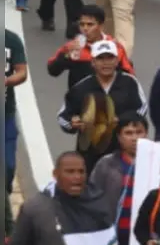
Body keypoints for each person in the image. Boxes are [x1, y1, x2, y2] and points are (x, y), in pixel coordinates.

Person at [56, 39, 149, 172]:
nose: (106, 62)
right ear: (93, 62)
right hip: (90, 154)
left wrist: (123, 122)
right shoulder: (81, 88)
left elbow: (142, 108)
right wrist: (72, 123)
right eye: (100, 58)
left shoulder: (129, 82)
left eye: (110, 58)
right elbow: (62, 117)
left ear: (117, 61)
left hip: (122, 151)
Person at [88, 111, 148, 245]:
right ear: (119, 137)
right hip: (115, 234)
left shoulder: (156, 164)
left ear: (147, 134)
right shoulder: (106, 165)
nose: (135, 138)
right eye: (128, 133)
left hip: (145, 237)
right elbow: (91, 199)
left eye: (139, 132)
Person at [47, 4, 134, 87]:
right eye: (82, 24)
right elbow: (53, 71)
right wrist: (66, 55)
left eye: (90, 24)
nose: (85, 28)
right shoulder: (72, 46)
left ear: (101, 26)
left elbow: (129, 77)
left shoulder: (115, 47)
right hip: (80, 96)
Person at [4, 30, 27, 194]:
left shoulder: (11, 39)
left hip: (5, 114)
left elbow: (22, 72)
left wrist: (5, 81)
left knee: (8, 166)